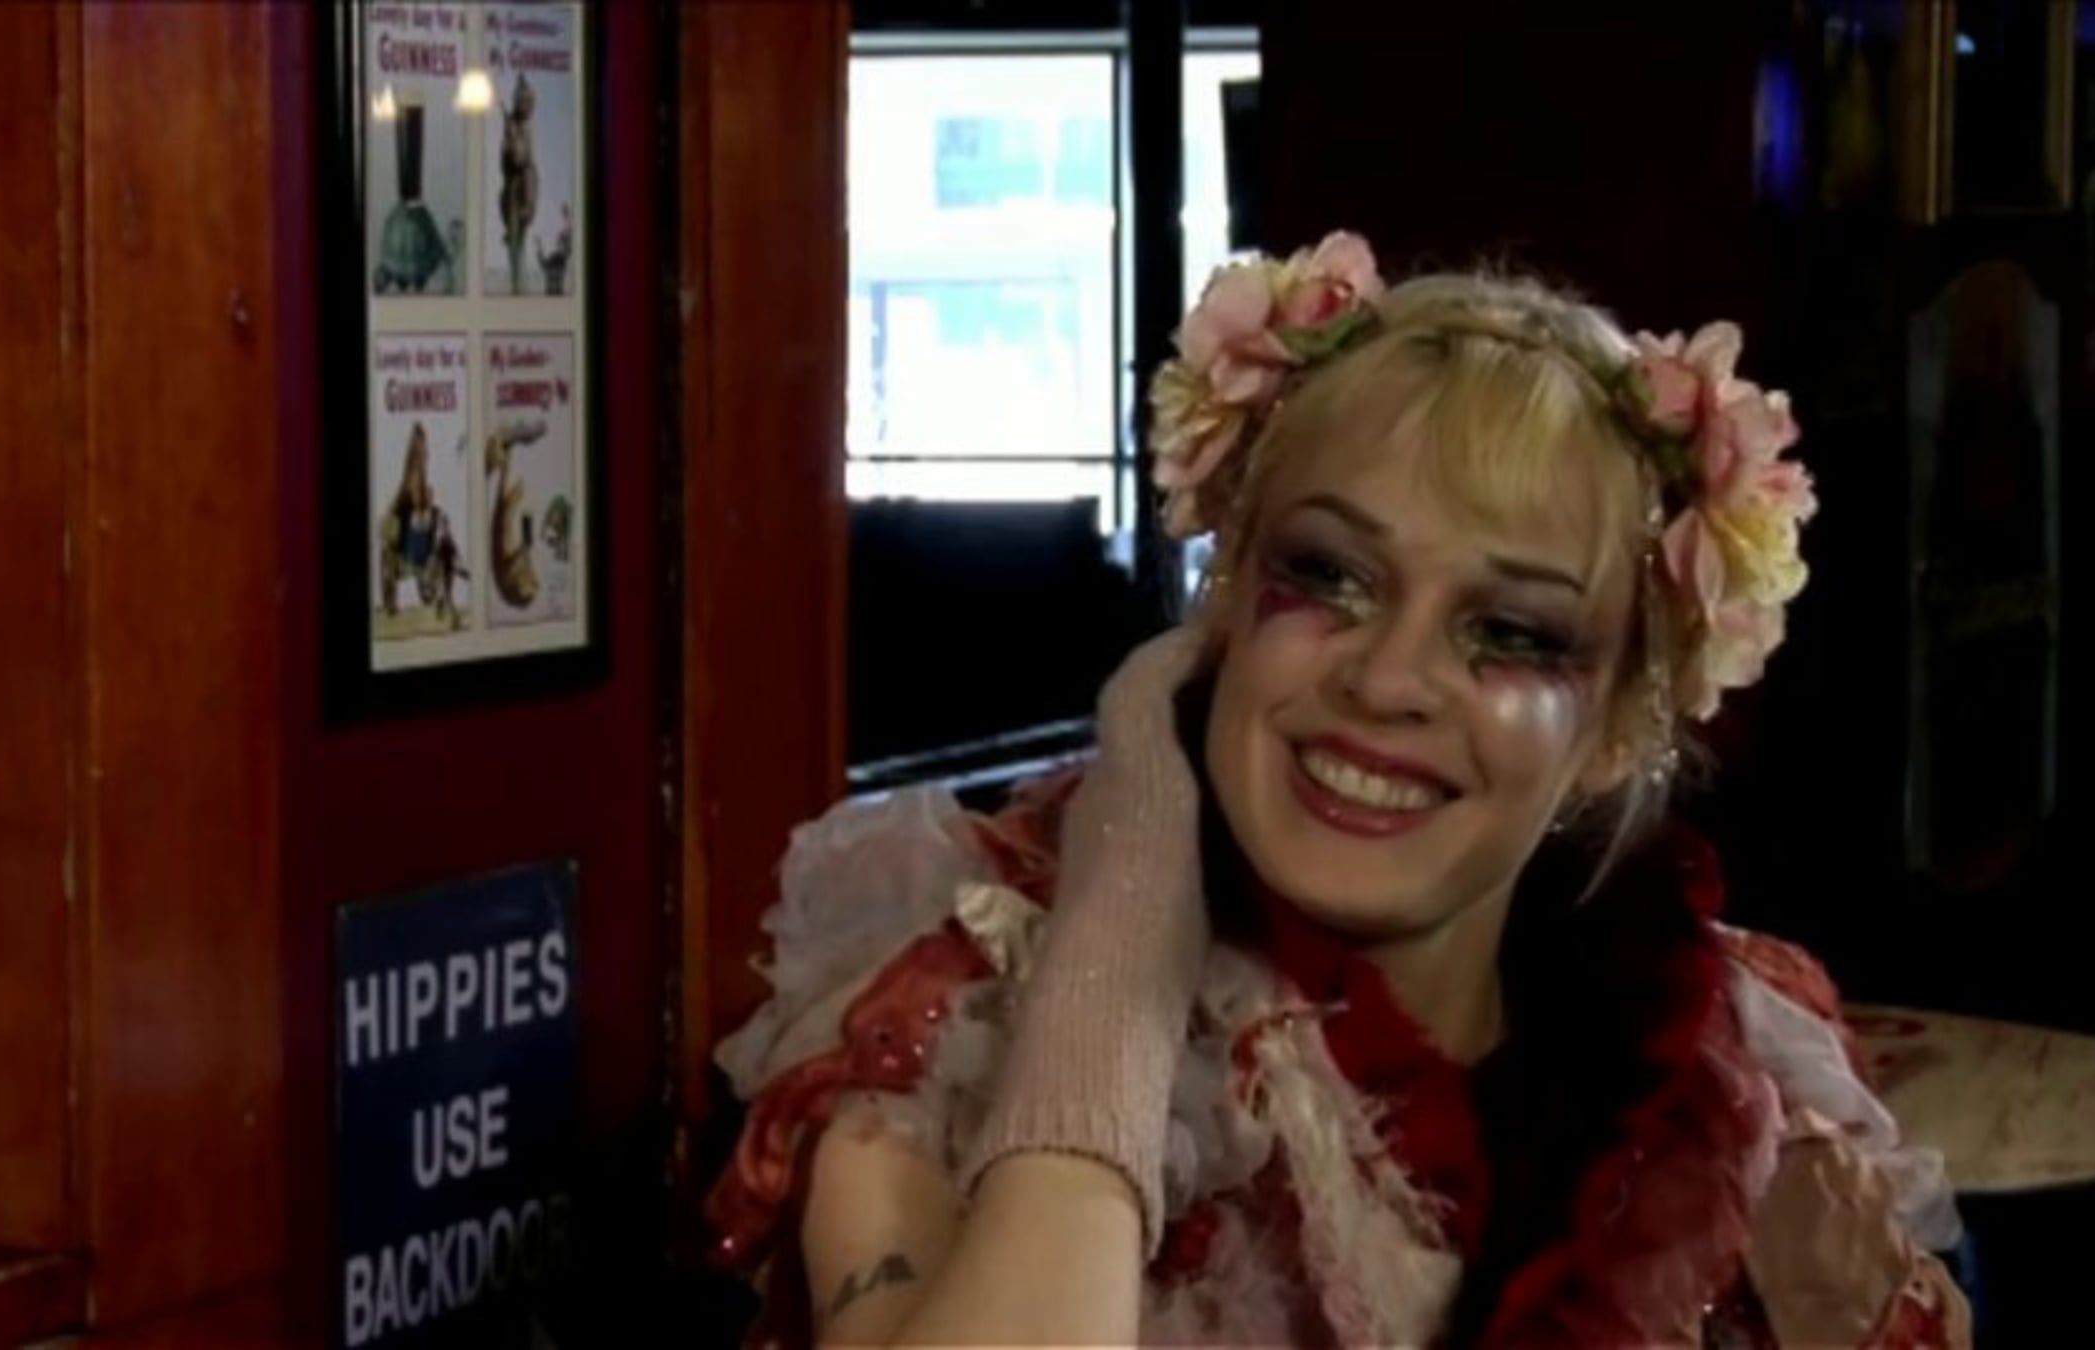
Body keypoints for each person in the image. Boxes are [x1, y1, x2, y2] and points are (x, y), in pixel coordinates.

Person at [707, 233, 1970, 1347]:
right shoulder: (957, 1010)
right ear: (1224, 606)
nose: (1387, 677)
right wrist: (1123, 936)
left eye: (1512, 632)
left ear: (1614, 727)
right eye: (1328, 575)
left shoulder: (1735, 1077)